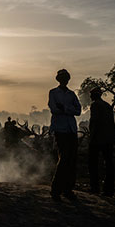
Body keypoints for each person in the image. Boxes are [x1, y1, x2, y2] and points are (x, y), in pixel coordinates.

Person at [48, 69, 81, 201]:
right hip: (60, 129)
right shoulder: (53, 92)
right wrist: (68, 110)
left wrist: (65, 109)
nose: (64, 80)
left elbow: (78, 110)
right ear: (59, 79)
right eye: (62, 78)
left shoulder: (71, 94)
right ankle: (56, 189)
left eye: (66, 78)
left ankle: (68, 189)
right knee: (64, 157)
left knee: (72, 159)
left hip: (71, 129)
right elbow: (54, 109)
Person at [87, 87, 115, 196]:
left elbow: (94, 122)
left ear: (95, 95)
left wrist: (91, 137)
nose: (90, 97)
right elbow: (112, 124)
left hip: (97, 139)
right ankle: (108, 190)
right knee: (109, 164)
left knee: (93, 164)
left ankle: (95, 188)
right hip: (108, 139)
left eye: (91, 94)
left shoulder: (95, 105)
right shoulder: (108, 106)